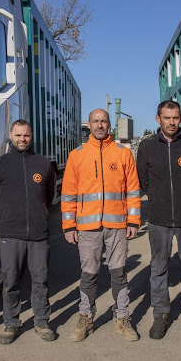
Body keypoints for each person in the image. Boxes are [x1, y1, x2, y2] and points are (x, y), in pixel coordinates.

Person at [61, 108, 141, 342]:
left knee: (119, 273)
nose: (99, 125)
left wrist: (134, 221)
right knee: (89, 275)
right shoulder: (77, 154)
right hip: (87, 228)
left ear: (109, 125)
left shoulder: (122, 153)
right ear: (88, 125)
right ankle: (86, 318)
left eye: (103, 121)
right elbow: (68, 193)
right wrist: (69, 226)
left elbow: (133, 190)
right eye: (95, 122)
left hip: (116, 225)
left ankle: (122, 319)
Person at [136, 100, 181, 340]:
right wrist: (157, 198)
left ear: (180, 118)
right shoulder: (146, 147)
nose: (172, 122)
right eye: (167, 118)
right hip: (158, 221)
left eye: (175, 118)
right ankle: (160, 316)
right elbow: (143, 181)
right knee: (158, 270)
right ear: (158, 119)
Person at [0, 120, 56, 344]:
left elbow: (49, 194)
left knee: (40, 279)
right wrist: (7, 217)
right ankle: (11, 323)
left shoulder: (43, 163)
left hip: (38, 234)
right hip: (10, 234)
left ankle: (42, 321)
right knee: (11, 280)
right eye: (18, 135)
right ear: (10, 135)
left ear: (31, 135)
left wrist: (39, 215)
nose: (22, 139)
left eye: (26, 135)